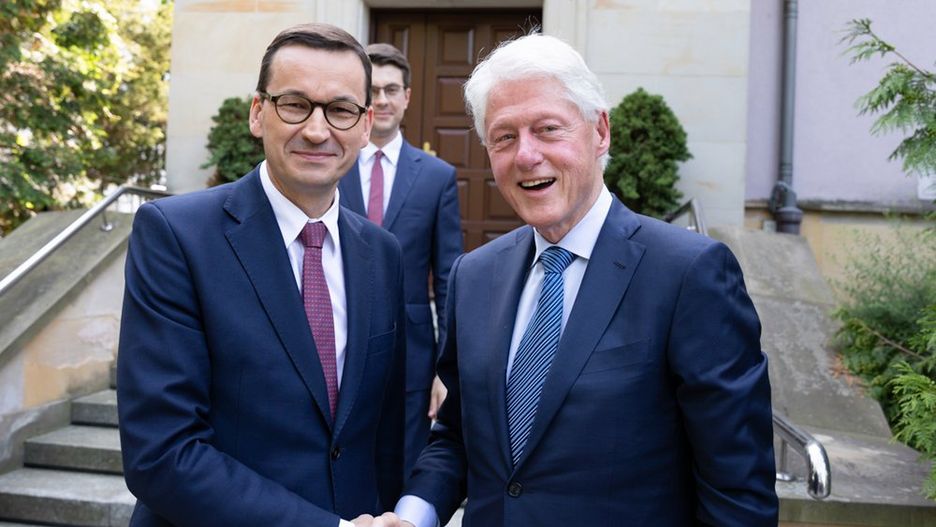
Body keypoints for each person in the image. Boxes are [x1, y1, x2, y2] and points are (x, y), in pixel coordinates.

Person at [396, 33, 779, 526]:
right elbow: (456, 435)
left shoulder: (689, 274)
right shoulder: (474, 275)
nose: (526, 155)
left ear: (600, 132)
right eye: (504, 137)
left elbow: (737, 493)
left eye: (547, 129)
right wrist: (413, 515)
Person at [117, 23, 407, 527]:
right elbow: (162, 453)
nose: (316, 130)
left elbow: (382, 435)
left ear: (365, 126)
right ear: (258, 113)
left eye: (340, 110)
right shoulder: (176, 235)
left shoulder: (382, 253)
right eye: (295, 104)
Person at [338, 43, 462, 476]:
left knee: (405, 465)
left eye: (392, 90)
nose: (382, 100)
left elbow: (447, 276)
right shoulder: (330, 164)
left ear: (407, 96)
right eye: (372, 91)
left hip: (412, 351)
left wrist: (446, 370)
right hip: (337, 337)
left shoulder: (437, 176)